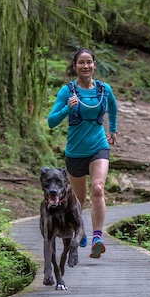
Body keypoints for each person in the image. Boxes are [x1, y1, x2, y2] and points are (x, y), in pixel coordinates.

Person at [47, 48, 117, 258]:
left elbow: (112, 107)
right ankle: (80, 229)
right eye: (81, 63)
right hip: (75, 152)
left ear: (94, 64)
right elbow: (51, 122)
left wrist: (112, 128)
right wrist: (67, 109)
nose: (86, 66)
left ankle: (97, 238)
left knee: (98, 189)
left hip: (99, 146)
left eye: (89, 62)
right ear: (75, 66)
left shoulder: (104, 90)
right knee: (78, 199)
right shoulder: (67, 91)